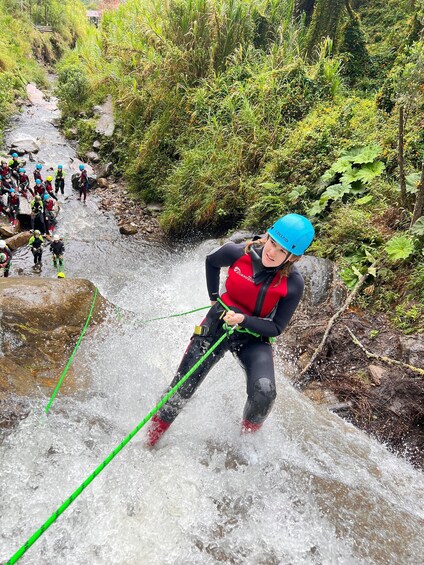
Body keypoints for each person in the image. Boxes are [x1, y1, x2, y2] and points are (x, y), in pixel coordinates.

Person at [146, 213, 315, 447]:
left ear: (293, 257)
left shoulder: (293, 283)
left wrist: (243, 320)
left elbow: (276, 327)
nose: (272, 252)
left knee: (264, 392)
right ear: (267, 235)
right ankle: (150, 440)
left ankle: (246, 445)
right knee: (183, 384)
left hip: (253, 337)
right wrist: (214, 298)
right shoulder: (239, 253)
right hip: (218, 324)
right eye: (272, 242)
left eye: (281, 250)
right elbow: (211, 261)